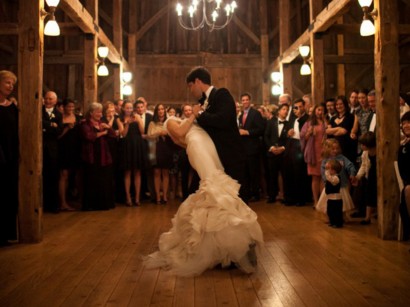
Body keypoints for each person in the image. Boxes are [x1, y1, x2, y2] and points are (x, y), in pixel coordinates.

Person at [144, 113, 263, 276]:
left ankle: (226, 248)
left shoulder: (189, 123)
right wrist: (193, 115)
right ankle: (235, 247)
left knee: (218, 185)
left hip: (204, 144)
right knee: (213, 186)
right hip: (197, 145)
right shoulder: (170, 121)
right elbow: (179, 135)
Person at [189, 66, 246, 202]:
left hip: (230, 155)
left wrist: (200, 114)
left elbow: (223, 120)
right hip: (213, 158)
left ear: (198, 81)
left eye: (190, 86)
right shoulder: (202, 102)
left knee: (236, 199)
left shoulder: (222, 94)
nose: (190, 90)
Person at [80, 102, 116, 211]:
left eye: (101, 112)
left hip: (103, 155)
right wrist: (103, 133)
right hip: (91, 156)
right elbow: (88, 136)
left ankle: (103, 204)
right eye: (98, 112)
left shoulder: (102, 123)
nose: (100, 114)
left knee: (104, 180)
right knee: (92, 180)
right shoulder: (85, 123)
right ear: (91, 113)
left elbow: (114, 135)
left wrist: (108, 128)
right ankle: (91, 205)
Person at [0, 70, 18, 246]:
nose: (11, 86)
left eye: (12, 84)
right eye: (7, 82)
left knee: (9, 193)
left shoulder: (13, 106)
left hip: (11, 153)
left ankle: (7, 233)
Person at [316, 138, 356, 216]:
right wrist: (326, 180)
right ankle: (329, 216)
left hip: (341, 185)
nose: (335, 150)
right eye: (333, 149)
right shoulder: (325, 160)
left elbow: (350, 165)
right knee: (328, 202)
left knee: (343, 202)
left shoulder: (342, 158)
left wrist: (352, 173)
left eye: (337, 148)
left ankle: (343, 216)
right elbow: (323, 172)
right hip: (330, 186)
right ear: (327, 149)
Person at [238, 92, 265, 202]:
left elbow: (260, 130)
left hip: (253, 148)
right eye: (243, 100)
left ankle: (256, 194)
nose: (245, 102)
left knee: (254, 172)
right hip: (243, 149)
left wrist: (247, 132)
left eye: (246, 100)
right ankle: (247, 193)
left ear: (250, 101)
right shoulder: (240, 116)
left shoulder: (255, 114)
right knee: (245, 173)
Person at [57, 98, 82, 211]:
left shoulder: (78, 118)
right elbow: (57, 136)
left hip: (76, 149)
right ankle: (63, 202)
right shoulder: (60, 118)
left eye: (72, 107)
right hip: (64, 149)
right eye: (68, 107)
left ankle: (76, 199)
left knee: (76, 175)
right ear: (64, 107)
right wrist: (67, 128)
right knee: (64, 175)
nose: (71, 109)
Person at [300, 103, 327, 207]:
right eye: (318, 110)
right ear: (315, 111)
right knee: (315, 177)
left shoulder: (325, 121)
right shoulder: (309, 123)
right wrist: (309, 133)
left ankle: (322, 201)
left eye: (322, 110)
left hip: (324, 152)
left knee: (323, 177)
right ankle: (315, 201)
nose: (320, 112)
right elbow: (303, 138)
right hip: (313, 152)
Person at [119, 101, 145, 206]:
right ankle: (128, 197)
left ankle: (137, 198)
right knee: (127, 172)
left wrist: (138, 121)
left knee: (137, 172)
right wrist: (127, 124)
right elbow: (123, 134)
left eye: (130, 108)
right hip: (127, 146)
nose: (129, 110)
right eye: (127, 108)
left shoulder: (137, 117)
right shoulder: (119, 119)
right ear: (123, 109)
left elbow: (142, 131)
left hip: (137, 145)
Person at [147, 103, 174, 204]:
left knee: (166, 172)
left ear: (165, 111)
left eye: (162, 109)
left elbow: (173, 134)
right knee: (157, 172)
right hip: (156, 148)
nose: (161, 111)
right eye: (159, 109)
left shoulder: (169, 122)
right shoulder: (152, 123)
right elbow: (149, 136)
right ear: (156, 111)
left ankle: (165, 196)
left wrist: (166, 133)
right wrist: (159, 133)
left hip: (167, 147)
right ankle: (158, 196)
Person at [42, 91, 63, 213]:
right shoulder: (39, 110)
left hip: (53, 150)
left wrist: (47, 127)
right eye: (46, 98)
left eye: (51, 99)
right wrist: (50, 125)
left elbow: (59, 131)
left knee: (53, 177)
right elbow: (39, 123)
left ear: (55, 101)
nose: (48, 101)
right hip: (41, 148)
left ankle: (53, 205)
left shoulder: (58, 114)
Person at [353, 132, 377, 225]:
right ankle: (367, 217)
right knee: (369, 195)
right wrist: (358, 177)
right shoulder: (365, 153)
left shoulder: (378, 151)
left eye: (362, 144)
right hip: (370, 175)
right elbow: (363, 166)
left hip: (378, 175)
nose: (361, 146)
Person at [398, 111, 410, 240]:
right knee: (408, 190)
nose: (406, 125)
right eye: (404, 123)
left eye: (409, 122)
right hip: (408, 183)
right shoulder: (403, 147)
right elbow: (403, 170)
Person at [324, 159, 344, 228]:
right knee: (330, 211)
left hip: (336, 198)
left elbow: (331, 180)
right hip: (330, 197)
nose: (328, 171)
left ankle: (338, 223)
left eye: (330, 169)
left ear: (334, 170)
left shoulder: (336, 177)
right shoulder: (331, 176)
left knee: (336, 211)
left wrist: (326, 172)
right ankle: (332, 222)